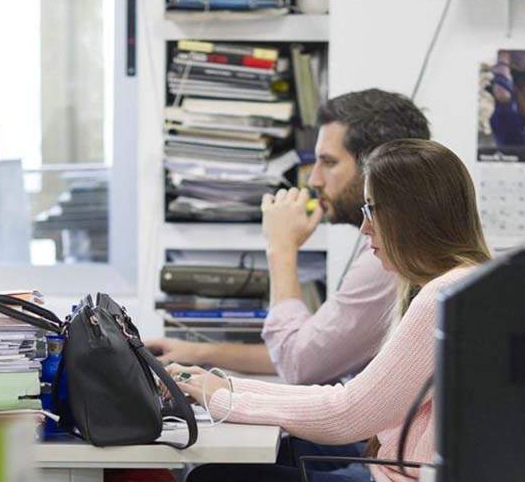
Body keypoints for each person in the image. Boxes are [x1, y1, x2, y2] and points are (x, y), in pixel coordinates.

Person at [167, 139, 492, 482]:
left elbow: (350, 413)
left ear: (407, 215)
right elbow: (357, 399)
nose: (365, 231)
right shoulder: (466, 281)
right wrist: (226, 388)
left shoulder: (442, 295)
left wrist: (222, 400)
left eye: (371, 211)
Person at [147, 89, 430, 386]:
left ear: (378, 166)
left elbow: (299, 365)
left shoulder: (392, 257)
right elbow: (307, 347)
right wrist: (200, 352)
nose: (314, 179)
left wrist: (282, 248)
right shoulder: (399, 233)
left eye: (329, 163)